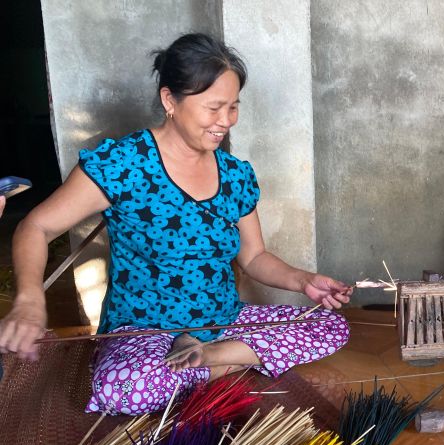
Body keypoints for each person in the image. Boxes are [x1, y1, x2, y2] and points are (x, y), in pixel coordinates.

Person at [0, 33, 351, 415]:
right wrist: (30, 298)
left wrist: (303, 281)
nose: (226, 121)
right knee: (122, 387)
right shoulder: (124, 164)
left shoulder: (235, 175)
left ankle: (213, 356)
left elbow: (254, 257)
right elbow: (36, 227)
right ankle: (233, 363)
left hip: (223, 323)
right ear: (170, 100)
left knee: (328, 325)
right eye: (214, 107)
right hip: (144, 333)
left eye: (233, 107)